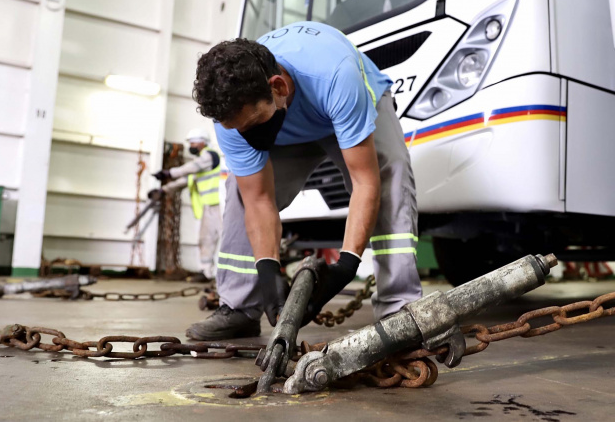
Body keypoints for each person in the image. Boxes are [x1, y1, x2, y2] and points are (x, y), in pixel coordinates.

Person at [185, 21, 423, 340]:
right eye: (238, 129)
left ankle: (398, 306)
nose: (246, 136)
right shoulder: (231, 117)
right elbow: (258, 199)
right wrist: (268, 269)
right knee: (239, 191)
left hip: (344, 103)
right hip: (288, 125)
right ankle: (240, 307)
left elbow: (365, 183)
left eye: (253, 123)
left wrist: (346, 265)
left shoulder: (336, 76)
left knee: (387, 171)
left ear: (279, 87)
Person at [154, 128, 222, 282]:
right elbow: (185, 180)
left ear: (203, 142)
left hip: (219, 206)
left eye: (194, 142)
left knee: (225, 239)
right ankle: (206, 272)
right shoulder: (201, 163)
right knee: (205, 240)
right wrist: (163, 190)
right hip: (208, 207)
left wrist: (169, 173)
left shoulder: (209, 156)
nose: (191, 146)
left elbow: (189, 169)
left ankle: (226, 275)